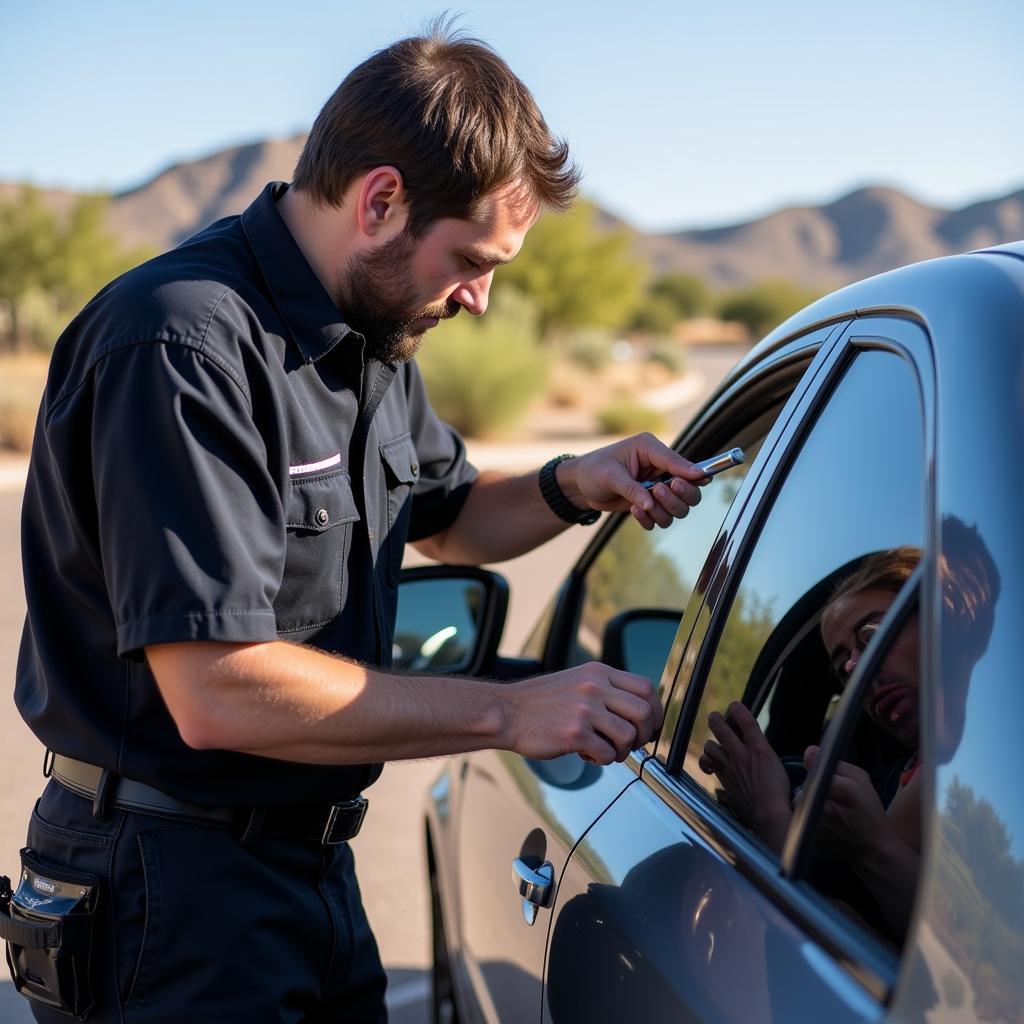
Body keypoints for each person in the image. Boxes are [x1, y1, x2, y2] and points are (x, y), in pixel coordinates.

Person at [3, 24, 710, 1024]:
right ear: (379, 201)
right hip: (167, 892)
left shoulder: (365, 336)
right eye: (470, 258)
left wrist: (570, 482)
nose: (479, 297)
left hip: (302, 871)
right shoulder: (181, 346)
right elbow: (219, 690)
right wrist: (510, 711)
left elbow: (450, 516)